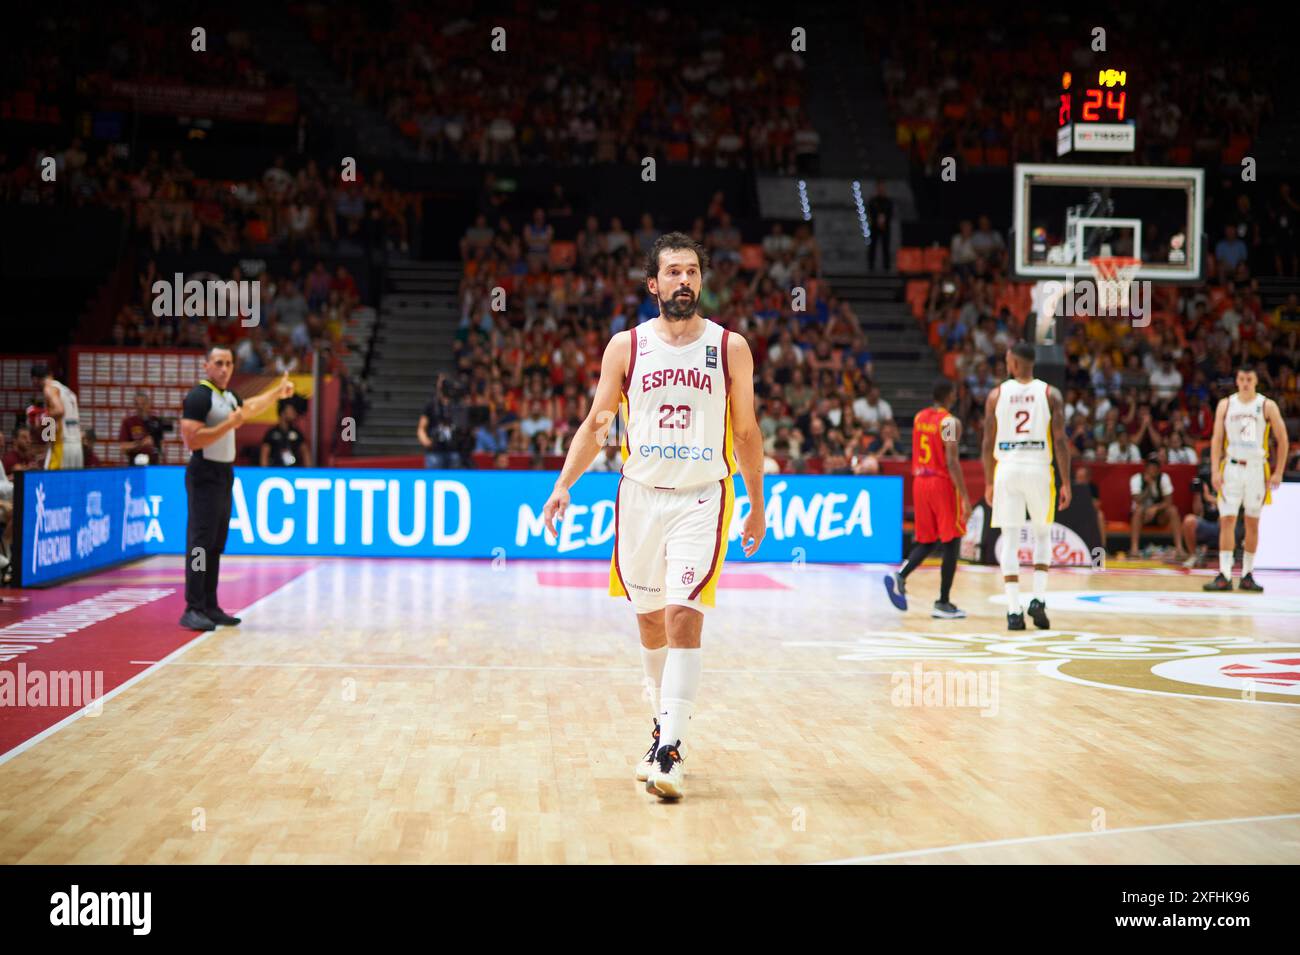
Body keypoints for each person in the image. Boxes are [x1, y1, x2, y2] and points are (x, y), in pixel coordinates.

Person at [542, 233, 765, 802]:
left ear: (701, 281)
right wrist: (564, 484)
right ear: (654, 284)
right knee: (648, 621)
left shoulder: (729, 347)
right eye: (672, 272)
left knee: (683, 615)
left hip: (701, 497)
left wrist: (758, 506)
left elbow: (745, 432)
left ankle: (671, 749)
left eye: (691, 271)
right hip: (639, 496)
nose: (683, 280)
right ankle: (661, 728)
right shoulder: (627, 347)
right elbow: (597, 425)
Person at [180, 347, 294, 631]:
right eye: (219, 363)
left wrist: (276, 394)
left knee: (216, 543)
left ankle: (210, 604)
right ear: (206, 366)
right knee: (199, 544)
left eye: (229, 363)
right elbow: (192, 440)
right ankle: (192, 607)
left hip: (223, 472)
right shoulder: (199, 396)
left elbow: (249, 408)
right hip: (204, 471)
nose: (224, 369)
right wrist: (229, 424)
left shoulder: (228, 397)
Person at [982, 342, 1072, 631]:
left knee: (1010, 539)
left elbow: (986, 443)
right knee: (1042, 535)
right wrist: (1066, 480)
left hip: (1006, 468)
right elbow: (1060, 441)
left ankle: (1013, 611)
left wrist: (987, 480)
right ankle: (1038, 599)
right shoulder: (1050, 394)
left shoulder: (996, 395)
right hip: (1038, 469)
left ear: (1013, 362)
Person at [884, 379, 971, 618]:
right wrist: (964, 496)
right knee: (952, 540)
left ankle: (900, 576)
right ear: (950, 395)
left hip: (920, 482)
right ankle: (943, 602)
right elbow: (952, 461)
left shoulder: (919, 417)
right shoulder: (949, 422)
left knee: (928, 539)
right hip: (940, 482)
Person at [1203, 364, 1288, 591]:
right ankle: (1224, 574)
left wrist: (1279, 471)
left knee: (1252, 522)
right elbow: (1216, 439)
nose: (1245, 383)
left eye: (1249, 379)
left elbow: (1283, 438)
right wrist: (1214, 470)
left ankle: (1248, 574)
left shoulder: (1266, 405)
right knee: (1227, 520)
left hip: (1256, 469)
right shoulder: (1226, 404)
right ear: (1236, 381)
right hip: (1231, 467)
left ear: (1256, 381)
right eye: (1241, 379)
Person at [1129, 455, 1184, 559]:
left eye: (1155, 467)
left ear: (1159, 470)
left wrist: (1155, 508)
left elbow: (1169, 501)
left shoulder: (1164, 478)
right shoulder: (1136, 478)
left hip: (1159, 515)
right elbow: (1137, 500)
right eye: (1150, 467)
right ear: (1146, 468)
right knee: (1138, 510)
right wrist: (1148, 485)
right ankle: (1134, 548)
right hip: (1142, 515)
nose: (1152, 469)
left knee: (1173, 510)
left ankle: (1179, 548)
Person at [31, 363, 83, 469]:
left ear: (35, 379)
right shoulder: (67, 391)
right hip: (76, 445)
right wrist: (48, 448)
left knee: (52, 481)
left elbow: (59, 410)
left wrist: (40, 422)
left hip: (62, 445)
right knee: (72, 483)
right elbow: (55, 423)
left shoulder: (48, 388)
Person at [260, 398, 312, 467]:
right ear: (283, 413)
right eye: (291, 410)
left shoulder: (296, 433)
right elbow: (264, 453)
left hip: (293, 470)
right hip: (275, 471)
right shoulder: (271, 433)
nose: (294, 413)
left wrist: (308, 471)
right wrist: (264, 472)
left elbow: (305, 452)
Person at [119, 389, 165, 464]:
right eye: (137, 404)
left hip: (153, 465)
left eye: (143, 404)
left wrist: (155, 443)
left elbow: (161, 447)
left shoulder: (157, 421)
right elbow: (123, 447)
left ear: (148, 404)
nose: (140, 407)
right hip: (134, 465)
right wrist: (141, 443)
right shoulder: (128, 422)